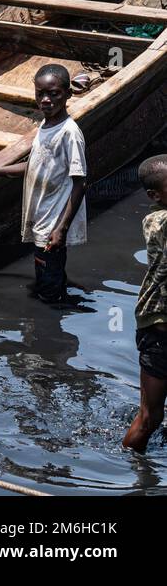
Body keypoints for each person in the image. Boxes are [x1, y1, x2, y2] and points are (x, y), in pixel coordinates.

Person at [0, 64, 87, 305]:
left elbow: (81, 184)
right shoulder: (45, 125)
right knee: (48, 274)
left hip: (52, 223)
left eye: (54, 94)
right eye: (40, 93)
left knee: (48, 290)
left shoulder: (70, 133)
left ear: (68, 94)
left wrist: (61, 229)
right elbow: (32, 167)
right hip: (42, 219)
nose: (46, 100)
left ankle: (51, 328)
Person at [123, 154, 167, 452]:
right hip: (159, 328)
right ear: (155, 195)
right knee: (150, 417)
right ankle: (133, 474)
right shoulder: (160, 221)